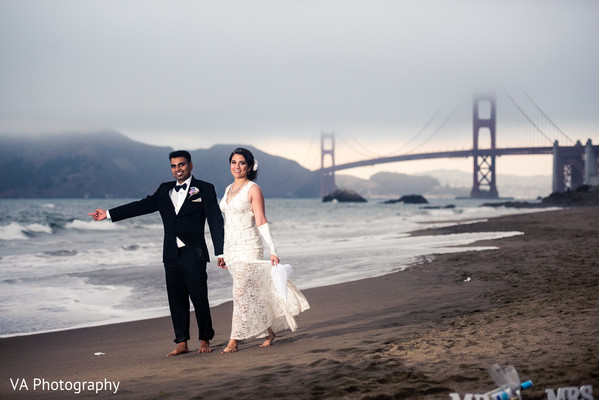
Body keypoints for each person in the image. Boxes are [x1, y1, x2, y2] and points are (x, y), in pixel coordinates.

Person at [88, 150, 226, 356]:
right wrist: (108, 213)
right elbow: (141, 206)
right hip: (170, 254)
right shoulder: (164, 189)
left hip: (193, 252)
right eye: (173, 166)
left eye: (181, 165)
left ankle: (205, 339)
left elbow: (215, 221)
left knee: (199, 298)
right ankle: (182, 342)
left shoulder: (205, 189)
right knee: (176, 299)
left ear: (190, 165)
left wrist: (220, 252)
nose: (177, 169)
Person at [219, 147, 309, 354]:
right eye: (233, 162)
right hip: (231, 250)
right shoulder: (227, 189)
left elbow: (261, 220)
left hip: (249, 247)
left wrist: (273, 249)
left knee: (240, 293)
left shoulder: (253, 189)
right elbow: (228, 224)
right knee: (253, 293)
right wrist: (223, 253)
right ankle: (270, 331)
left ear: (250, 166)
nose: (237, 166)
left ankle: (234, 340)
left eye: (242, 163)